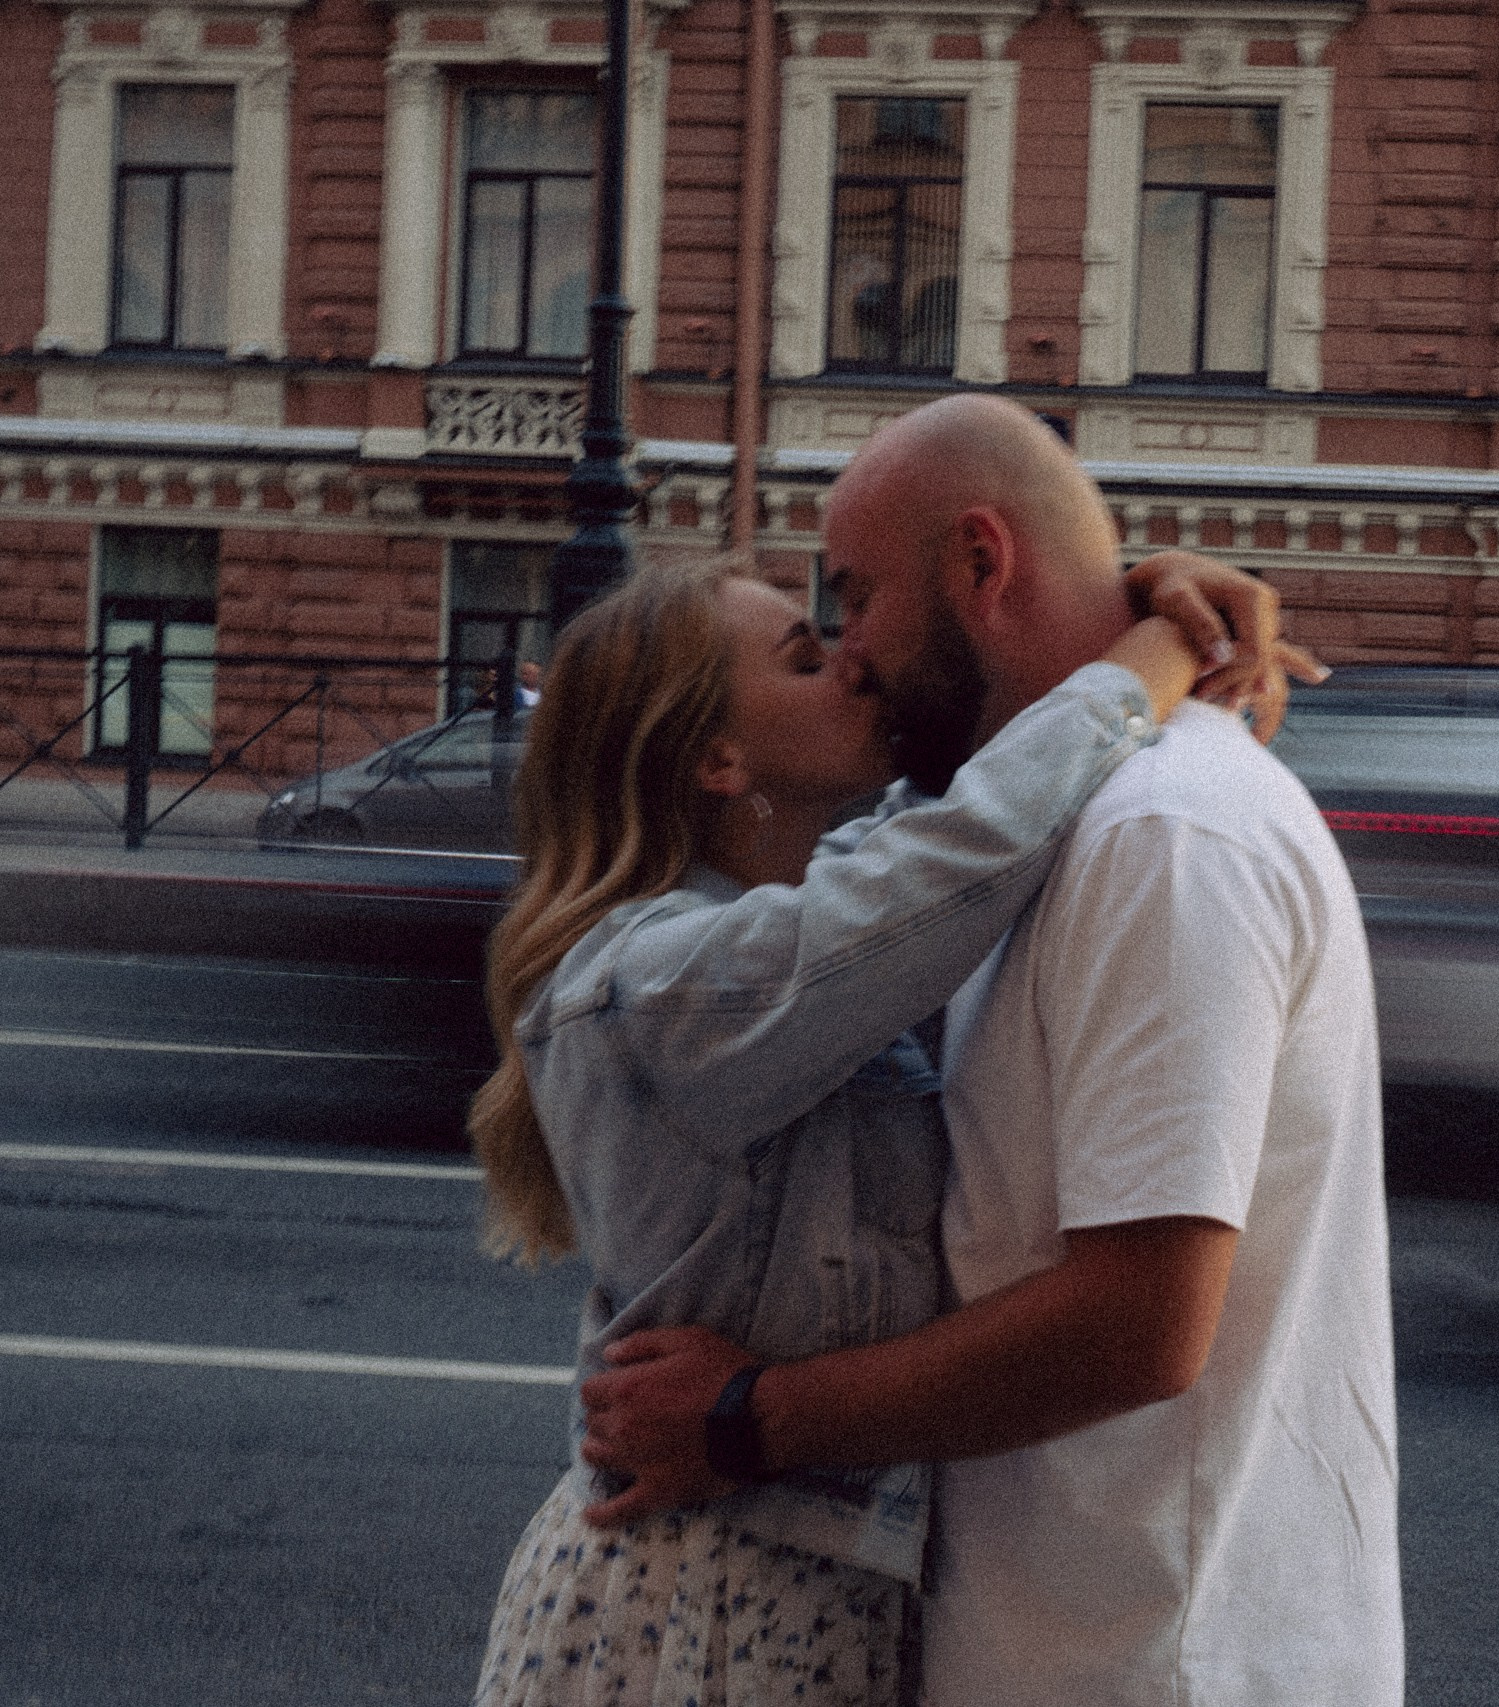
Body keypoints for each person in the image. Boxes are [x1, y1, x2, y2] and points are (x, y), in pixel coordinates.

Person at [582, 396, 1402, 1706]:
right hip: (1064, 1636)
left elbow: (1141, 1323)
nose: (851, 654)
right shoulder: (1028, 831)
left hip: (1148, 1662)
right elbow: (931, 846)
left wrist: (751, 1416)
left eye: (853, 600)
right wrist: (1144, 610)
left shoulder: (1160, 837)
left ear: (981, 563)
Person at [467, 544, 1296, 1707]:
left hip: (791, 1584)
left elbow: (937, 820)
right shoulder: (664, 985)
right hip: (709, 1601)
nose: (853, 664)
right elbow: (963, 852)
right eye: (807, 655)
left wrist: (1100, 588)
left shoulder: (778, 921)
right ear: (716, 757)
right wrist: (1158, 648)